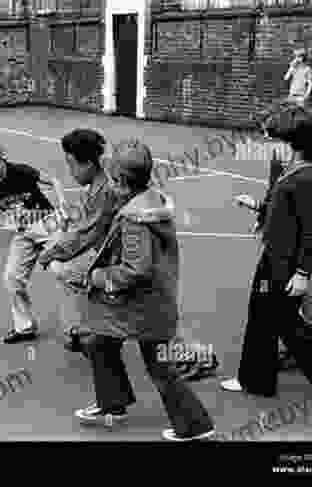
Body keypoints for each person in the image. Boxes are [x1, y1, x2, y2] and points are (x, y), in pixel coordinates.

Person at [66, 139, 215, 440]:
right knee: (99, 341)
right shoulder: (148, 200)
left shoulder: (135, 218)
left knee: (159, 365)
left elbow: (135, 269)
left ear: (121, 181)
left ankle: (195, 425)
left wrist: (94, 277)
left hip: (144, 305)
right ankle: (113, 402)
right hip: (148, 300)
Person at [43, 129, 219, 382]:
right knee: (144, 323)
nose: (69, 171)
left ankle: (84, 333)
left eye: (70, 163)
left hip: (127, 267)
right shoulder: (107, 184)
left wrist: (53, 254)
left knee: (143, 323)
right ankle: (86, 332)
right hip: (127, 265)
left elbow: (87, 234)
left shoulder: (109, 189)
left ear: (90, 163)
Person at [221, 104, 312, 404]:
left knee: (286, 322)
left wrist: (302, 273)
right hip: (273, 256)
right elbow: (283, 210)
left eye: (273, 138)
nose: (268, 144)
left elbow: (311, 231)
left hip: (288, 264)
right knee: (259, 313)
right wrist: (258, 206)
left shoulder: (308, 178)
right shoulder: (291, 167)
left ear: (292, 142)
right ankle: (254, 379)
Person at [0, 154, 67, 343]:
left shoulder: (21, 171)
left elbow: (54, 181)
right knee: (11, 278)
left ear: (1, 159)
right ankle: (25, 328)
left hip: (47, 224)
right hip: (22, 232)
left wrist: (62, 204)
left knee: (62, 271)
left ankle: (79, 327)